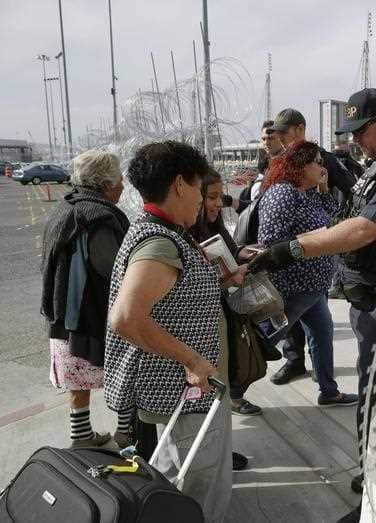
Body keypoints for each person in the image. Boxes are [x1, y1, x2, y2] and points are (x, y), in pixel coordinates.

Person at [248, 88, 376, 523]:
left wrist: (290, 249)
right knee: (372, 394)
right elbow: (343, 221)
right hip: (369, 303)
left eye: (362, 130)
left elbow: (363, 230)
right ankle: (374, 471)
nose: (355, 140)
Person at [105, 141, 246, 522]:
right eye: (200, 187)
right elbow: (126, 317)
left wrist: (222, 278)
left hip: (181, 392)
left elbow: (171, 298)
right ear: (180, 184)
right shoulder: (158, 241)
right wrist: (193, 359)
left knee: (174, 481)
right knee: (200, 490)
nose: (203, 198)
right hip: (186, 393)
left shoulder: (163, 231)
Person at [257, 140, 358, 407]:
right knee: (265, 340)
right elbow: (270, 241)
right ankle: (233, 385)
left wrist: (324, 190)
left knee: (322, 335)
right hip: (293, 287)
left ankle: (329, 391)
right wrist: (311, 240)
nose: (322, 167)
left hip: (315, 287)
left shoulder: (310, 193)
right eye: (317, 162)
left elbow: (333, 221)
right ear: (301, 166)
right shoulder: (283, 193)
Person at [40, 150, 131, 448]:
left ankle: (81, 437)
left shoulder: (66, 206)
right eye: (119, 179)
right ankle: (125, 434)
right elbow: (113, 268)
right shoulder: (98, 217)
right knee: (125, 370)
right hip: (91, 315)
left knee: (77, 376)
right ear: (105, 184)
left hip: (63, 312)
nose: (122, 185)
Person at [188, 169, 263, 417]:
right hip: (203, 320)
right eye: (212, 197)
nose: (219, 204)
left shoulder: (215, 225)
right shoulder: (184, 236)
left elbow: (230, 251)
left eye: (220, 197)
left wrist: (244, 252)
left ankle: (232, 399)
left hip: (226, 307)